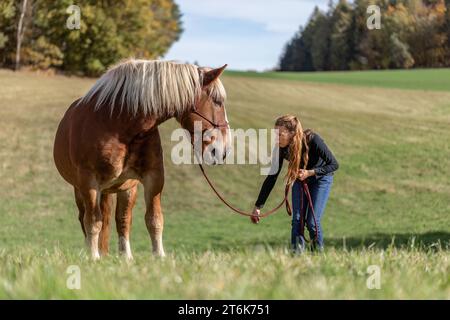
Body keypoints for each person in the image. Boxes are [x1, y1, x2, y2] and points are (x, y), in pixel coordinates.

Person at [251, 115, 339, 253]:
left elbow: (334, 164)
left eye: (280, 134)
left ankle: (318, 257)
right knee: (297, 221)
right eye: (275, 134)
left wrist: (310, 173)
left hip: (320, 179)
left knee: (311, 222)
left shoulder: (312, 140)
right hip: (300, 179)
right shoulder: (280, 148)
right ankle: (296, 258)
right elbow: (271, 178)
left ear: (292, 134)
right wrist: (258, 206)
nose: (276, 138)